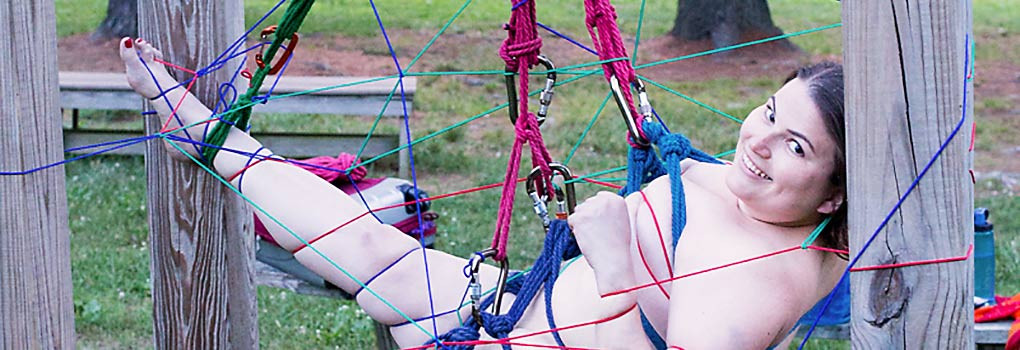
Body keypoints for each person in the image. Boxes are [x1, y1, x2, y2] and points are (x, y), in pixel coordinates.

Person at [119, 36, 848, 349]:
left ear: (832, 198)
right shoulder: (758, 187)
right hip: (501, 308)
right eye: (772, 112)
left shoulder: (776, 269)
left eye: (795, 146)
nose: (758, 141)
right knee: (374, 245)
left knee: (376, 252)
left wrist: (622, 274)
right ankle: (208, 137)